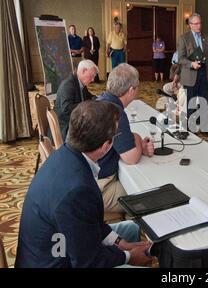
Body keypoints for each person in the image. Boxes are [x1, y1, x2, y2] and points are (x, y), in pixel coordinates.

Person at [15, 101, 153, 267]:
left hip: (56, 245)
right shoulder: (77, 190)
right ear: (105, 145)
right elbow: (88, 261)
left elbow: (89, 222)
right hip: (58, 260)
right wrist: (128, 257)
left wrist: (121, 244)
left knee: (131, 229)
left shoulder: (65, 154)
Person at [97, 63, 154, 213]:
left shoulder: (100, 100)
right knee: (147, 193)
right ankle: (132, 231)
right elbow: (131, 158)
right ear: (131, 90)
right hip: (97, 189)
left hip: (83, 180)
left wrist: (136, 142)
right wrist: (138, 140)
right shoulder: (115, 112)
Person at [177, 13, 208, 120]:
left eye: (200, 23)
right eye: (196, 24)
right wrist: (191, 64)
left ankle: (204, 126)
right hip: (190, 74)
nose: (199, 26)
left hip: (204, 73)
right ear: (190, 24)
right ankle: (189, 128)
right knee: (191, 103)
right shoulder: (184, 38)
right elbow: (180, 58)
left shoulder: (206, 37)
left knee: (204, 102)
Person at [55, 59, 97, 139]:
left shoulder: (80, 84)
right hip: (66, 127)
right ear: (83, 71)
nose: (93, 80)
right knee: (96, 131)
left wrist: (100, 98)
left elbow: (90, 97)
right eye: (92, 76)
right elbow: (66, 109)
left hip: (75, 122)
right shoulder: (68, 85)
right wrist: (86, 104)